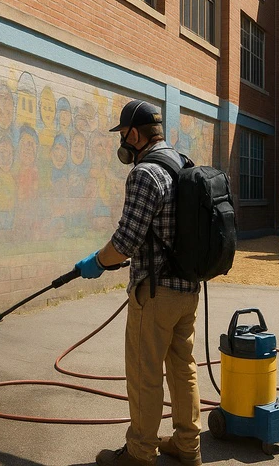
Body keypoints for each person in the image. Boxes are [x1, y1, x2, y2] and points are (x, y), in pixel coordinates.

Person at [74, 100, 202, 466]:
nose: (122, 142)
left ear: (134, 134)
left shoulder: (145, 173)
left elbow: (126, 241)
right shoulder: (183, 164)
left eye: (123, 134)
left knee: (146, 374)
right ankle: (188, 445)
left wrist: (97, 262)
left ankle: (140, 453)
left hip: (156, 294)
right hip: (188, 290)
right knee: (183, 370)